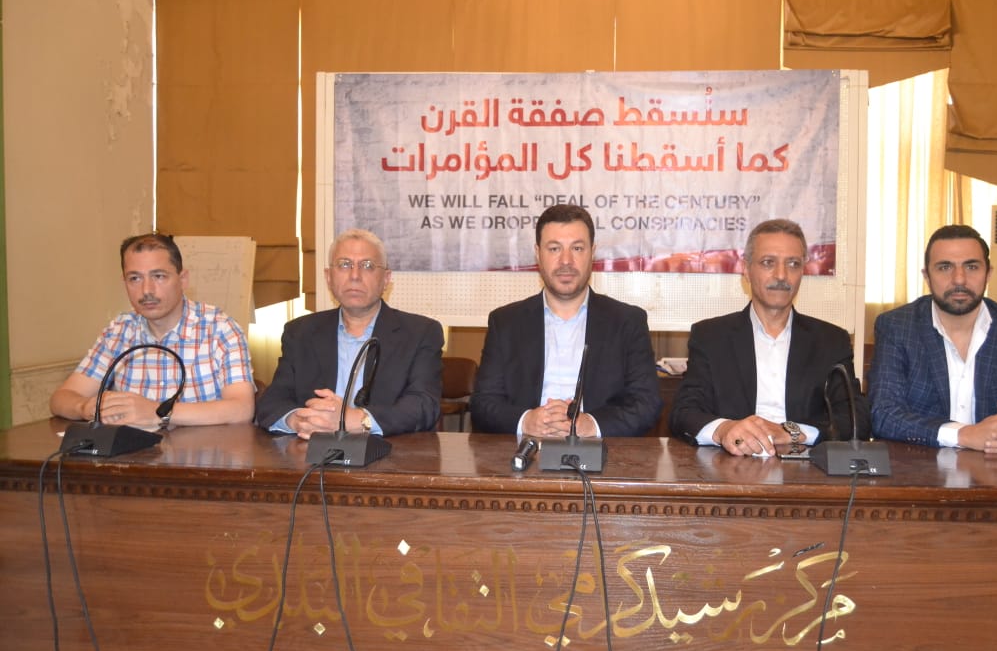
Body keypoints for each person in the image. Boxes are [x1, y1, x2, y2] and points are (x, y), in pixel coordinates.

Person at [868, 224, 997, 452]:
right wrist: (965, 434)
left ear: (989, 273)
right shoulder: (897, 326)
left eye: (972, 267)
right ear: (927, 276)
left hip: (996, 467)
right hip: (920, 466)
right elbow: (883, 414)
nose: (959, 279)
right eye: (945, 267)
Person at [669, 219, 868, 457]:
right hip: (731, 464)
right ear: (746, 269)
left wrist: (793, 433)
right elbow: (684, 412)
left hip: (807, 468)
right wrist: (724, 429)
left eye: (793, 264)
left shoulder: (831, 340)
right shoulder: (711, 337)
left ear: (802, 271)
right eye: (768, 263)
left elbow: (857, 419)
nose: (781, 275)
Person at [470, 204, 661, 438]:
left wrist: (590, 424)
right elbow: (483, 403)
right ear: (538, 253)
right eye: (554, 249)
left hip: (599, 451)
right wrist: (526, 421)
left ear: (592, 252)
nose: (566, 261)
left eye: (577, 248)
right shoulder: (505, 322)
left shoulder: (627, 322)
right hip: (525, 448)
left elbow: (646, 403)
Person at [50, 233, 255, 427]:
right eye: (135, 278)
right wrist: (86, 407)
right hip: (135, 451)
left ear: (183, 279)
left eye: (159, 276)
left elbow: (242, 409)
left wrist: (157, 412)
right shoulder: (118, 332)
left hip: (203, 451)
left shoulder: (220, 329)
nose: (146, 290)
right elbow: (61, 398)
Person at [256, 228, 442, 438]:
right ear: (328, 277)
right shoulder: (300, 332)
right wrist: (298, 420)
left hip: (388, 452)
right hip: (311, 450)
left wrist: (357, 420)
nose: (354, 276)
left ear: (386, 279)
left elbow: (424, 405)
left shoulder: (420, 332)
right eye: (344, 265)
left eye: (367, 266)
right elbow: (272, 402)